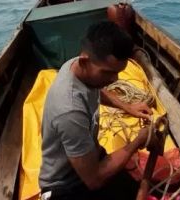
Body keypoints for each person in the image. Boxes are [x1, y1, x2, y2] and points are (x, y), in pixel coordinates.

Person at [39, 21, 155, 200]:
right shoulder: (69, 111)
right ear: (85, 61)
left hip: (91, 161)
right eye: (108, 73)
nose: (114, 79)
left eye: (118, 73)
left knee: (135, 189)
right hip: (64, 186)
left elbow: (96, 89)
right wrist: (137, 141)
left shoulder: (77, 67)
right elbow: (94, 180)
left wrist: (129, 108)